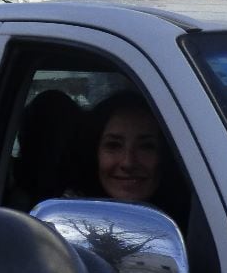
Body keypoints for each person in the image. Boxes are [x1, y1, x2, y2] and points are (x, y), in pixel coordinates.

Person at [68, 91, 186, 223]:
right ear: (94, 153)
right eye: (113, 145)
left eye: (146, 147)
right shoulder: (65, 222)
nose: (128, 163)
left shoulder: (201, 224)